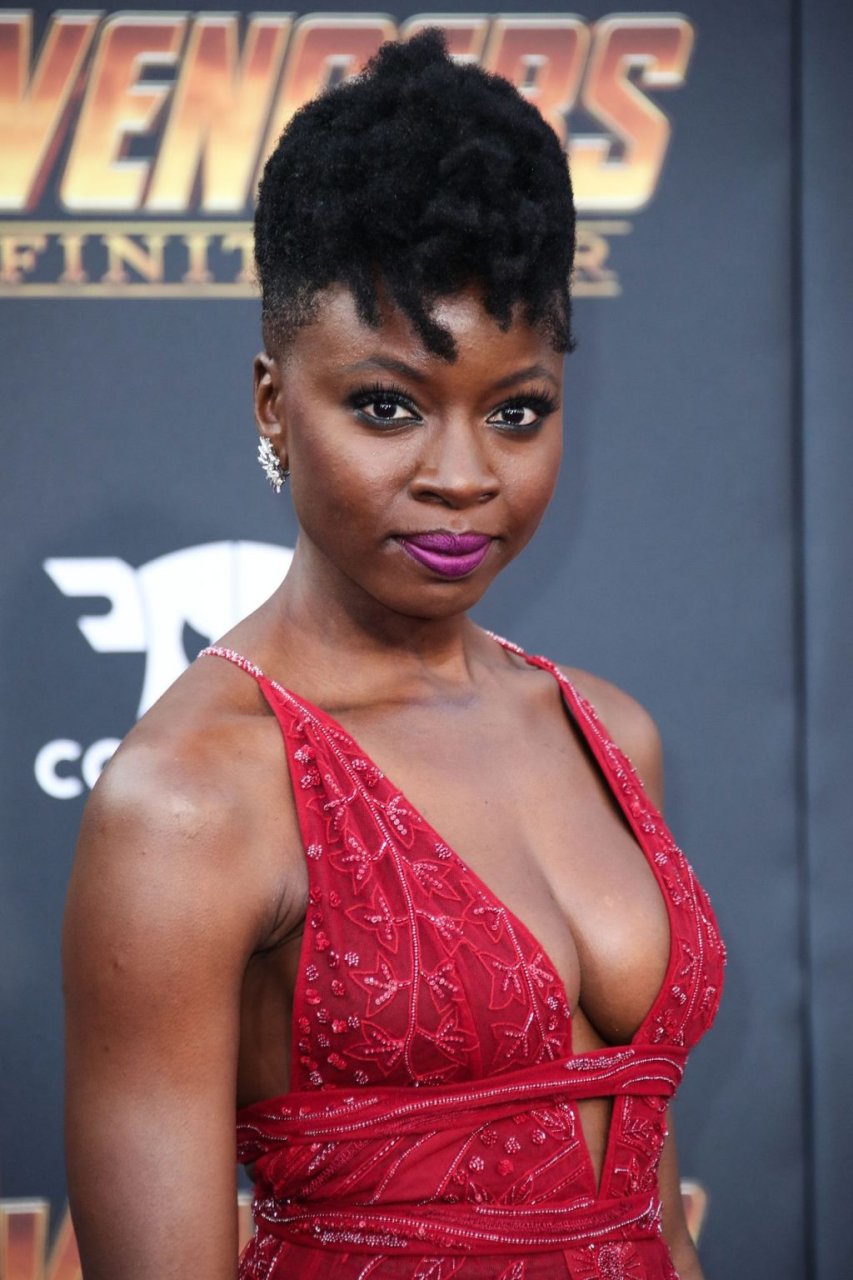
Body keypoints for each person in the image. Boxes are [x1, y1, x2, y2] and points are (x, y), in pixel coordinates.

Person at [63, 29, 724, 1280]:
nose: (462, 475)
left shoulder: (607, 732)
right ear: (274, 403)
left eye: (516, 410)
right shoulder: (192, 798)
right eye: (387, 405)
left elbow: (657, 1224)